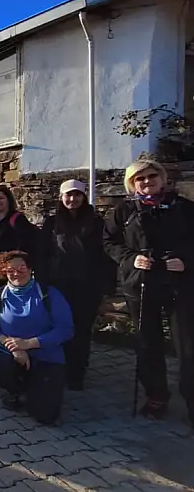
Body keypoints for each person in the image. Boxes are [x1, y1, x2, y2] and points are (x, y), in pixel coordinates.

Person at [103, 158, 194, 422]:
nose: (146, 182)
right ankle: (156, 395)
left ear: (162, 179)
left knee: (188, 346)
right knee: (148, 343)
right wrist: (131, 259)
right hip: (142, 284)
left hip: (180, 284)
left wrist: (186, 261)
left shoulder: (184, 208)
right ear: (132, 184)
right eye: (139, 178)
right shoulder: (124, 210)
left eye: (151, 176)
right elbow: (109, 241)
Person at [0, 251, 74, 425]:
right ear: (3, 272)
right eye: (10, 269)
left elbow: (65, 329)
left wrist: (28, 344)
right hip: (12, 355)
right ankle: (17, 389)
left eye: (21, 267)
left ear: (30, 269)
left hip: (46, 356)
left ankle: (35, 390)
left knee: (46, 416)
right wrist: (13, 347)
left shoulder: (49, 294)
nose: (16, 273)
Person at [38, 180, 111, 391]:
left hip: (86, 286)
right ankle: (57, 368)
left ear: (83, 197)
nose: (72, 199)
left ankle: (77, 372)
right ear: (61, 198)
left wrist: (106, 285)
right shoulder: (52, 223)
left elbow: (104, 255)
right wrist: (42, 282)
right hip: (58, 284)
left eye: (76, 195)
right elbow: (43, 253)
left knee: (81, 331)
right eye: (68, 195)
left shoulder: (96, 222)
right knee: (58, 328)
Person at [0, 186, 38, 289]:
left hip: (12, 270)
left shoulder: (17, 219)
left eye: (1, 198)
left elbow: (25, 243)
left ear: (8, 199)